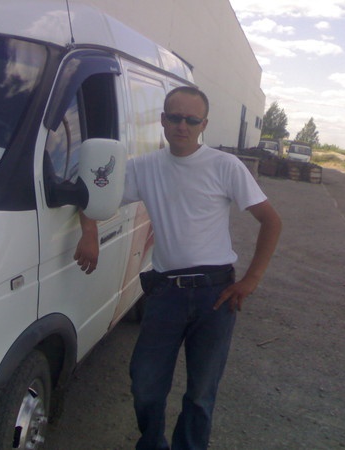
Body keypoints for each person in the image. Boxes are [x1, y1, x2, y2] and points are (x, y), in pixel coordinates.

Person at [74, 86, 282, 449]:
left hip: (216, 295)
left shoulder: (225, 166)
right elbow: (91, 190)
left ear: (204, 124)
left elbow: (271, 221)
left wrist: (251, 279)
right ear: (163, 120)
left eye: (191, 119)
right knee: (145, 384)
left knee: (201, 394)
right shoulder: (144, 167)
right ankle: (152, 443)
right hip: (165, 293)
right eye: (174, 117)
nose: (182, 126)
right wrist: (89, 232)